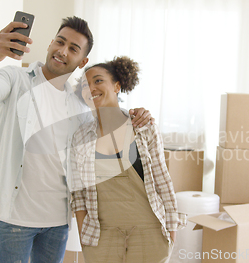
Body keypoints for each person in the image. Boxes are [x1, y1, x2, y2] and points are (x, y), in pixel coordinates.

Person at [0, 16, 153, 263]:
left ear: (82, 61)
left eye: (73, 48)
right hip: (13, 220)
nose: (62, 51)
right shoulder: (16, 79)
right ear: (51, 42)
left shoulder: (80, 102)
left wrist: (138, 115)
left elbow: (108, 129)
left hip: (58, 223)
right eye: (60, 42)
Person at [70, 56, 186, 263]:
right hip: (101, 237)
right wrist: (83, 236)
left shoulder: (144, 127)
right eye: (85, 86)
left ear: (116, 85)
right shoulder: (80, 137)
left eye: (98, 80)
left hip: (149, 232)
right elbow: (78, 193)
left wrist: (171, 231)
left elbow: (162, 179)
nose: (91, 88)